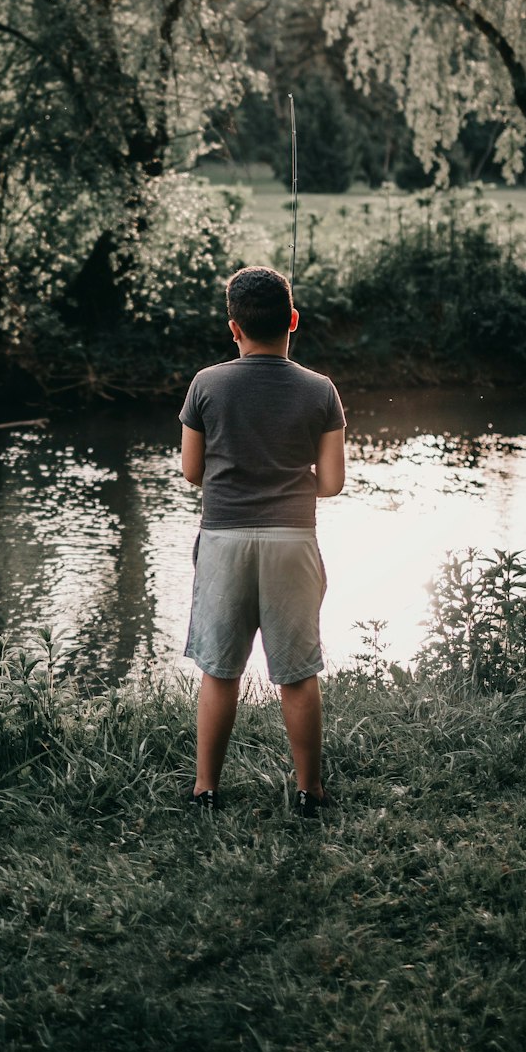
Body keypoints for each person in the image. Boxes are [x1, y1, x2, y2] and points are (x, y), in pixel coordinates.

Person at [179, 264, 346, 818]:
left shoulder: (206, 384)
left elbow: (191, 471)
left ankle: (206, 790)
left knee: (220, 671)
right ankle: (310, 792)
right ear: (293, 320)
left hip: (224, 538)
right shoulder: (321, 390)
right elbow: (332, 483)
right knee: (297, 674)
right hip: (292, 541)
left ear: (234, 329)